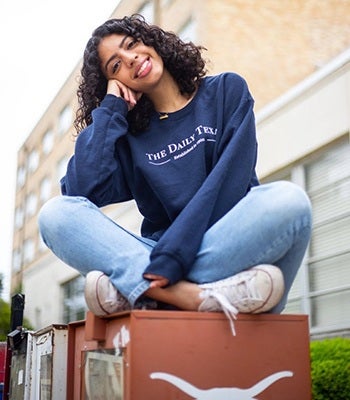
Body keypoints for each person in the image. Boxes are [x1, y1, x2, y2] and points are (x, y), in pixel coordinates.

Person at [38, 14, 312, 335]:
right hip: (158, 258)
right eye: (115, 66)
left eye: (131, 45)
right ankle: (195, 297)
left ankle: (144, 293)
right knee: (54, 214)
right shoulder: (131, 138)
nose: (131, 59)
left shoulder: (225, 91)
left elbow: (228, 184)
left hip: (217, 244)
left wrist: (173, 258)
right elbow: (81, 189)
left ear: (151, 42)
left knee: (289, 201)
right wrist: (111, 109)